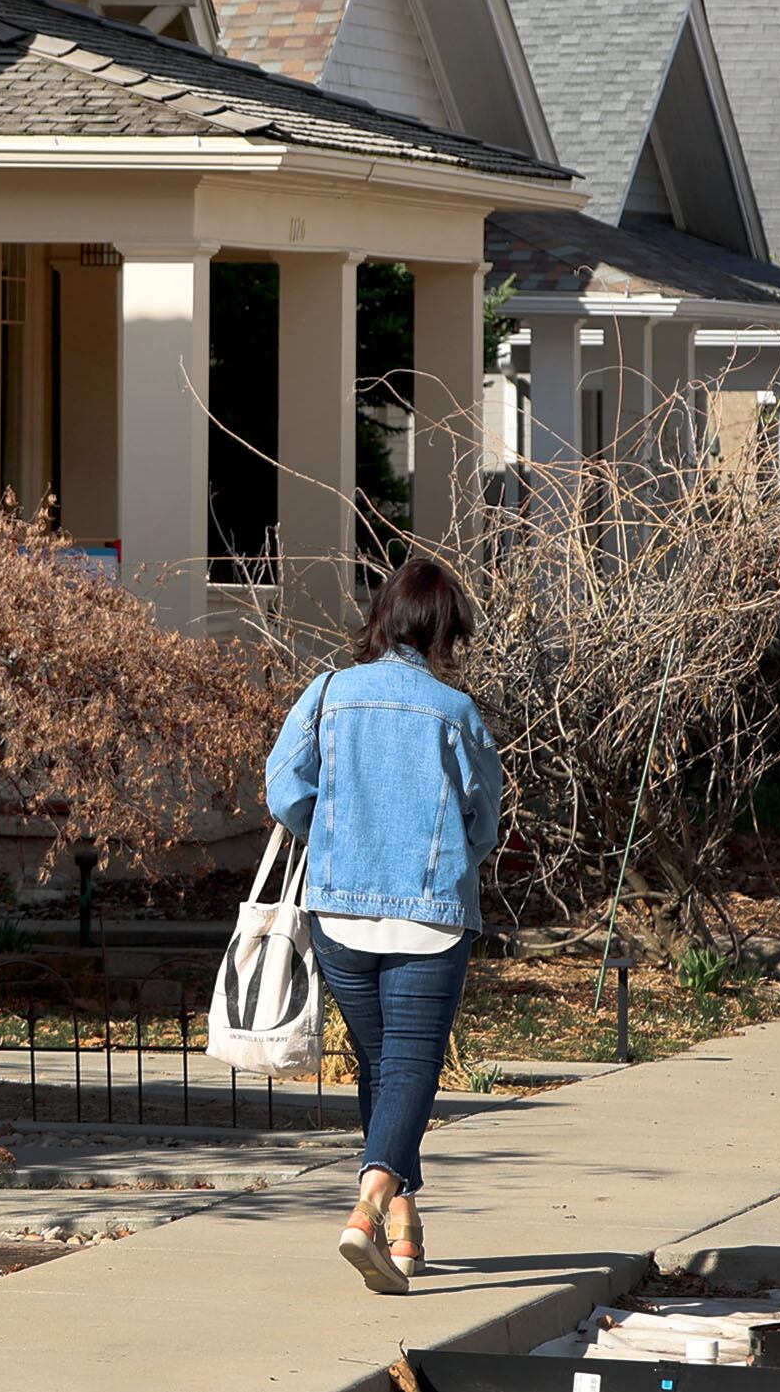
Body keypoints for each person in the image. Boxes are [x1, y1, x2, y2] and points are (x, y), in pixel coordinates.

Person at [264, 554, 502, 1296]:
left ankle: (403, 1227)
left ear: (383, 618)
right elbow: (485, 819)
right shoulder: (454, 712)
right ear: (440, 633)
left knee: (382, 1069)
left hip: (339, 917)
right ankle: (367, 1206)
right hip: (429, 920)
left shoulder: (328, 693)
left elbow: (282, 790)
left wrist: (336, 837)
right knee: (408, 1071)